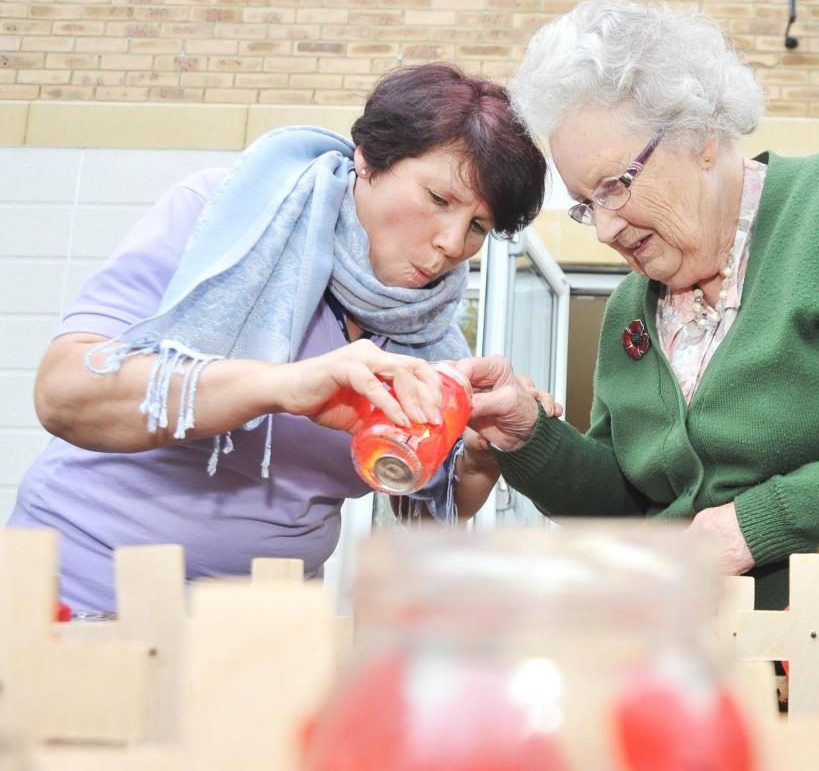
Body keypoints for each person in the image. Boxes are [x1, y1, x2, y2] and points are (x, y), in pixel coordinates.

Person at [457, 0, 819, 610]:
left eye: (616, 186)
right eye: (583, 204)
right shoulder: (632, 308)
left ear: (701, 135)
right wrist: (529, 438)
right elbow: (632, 507)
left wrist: (758, 524)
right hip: (714, 650)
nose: (603, 228)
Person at [10, 63, 547, 612]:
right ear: (369, 157)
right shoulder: (224, 219)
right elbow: (65, 394)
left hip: (263, 632)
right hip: (80, 598)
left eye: (479, 226)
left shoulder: (429, 333)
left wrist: (477, 461)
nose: (453, 244)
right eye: (439, 199)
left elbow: (421, 508)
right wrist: (279, 385)